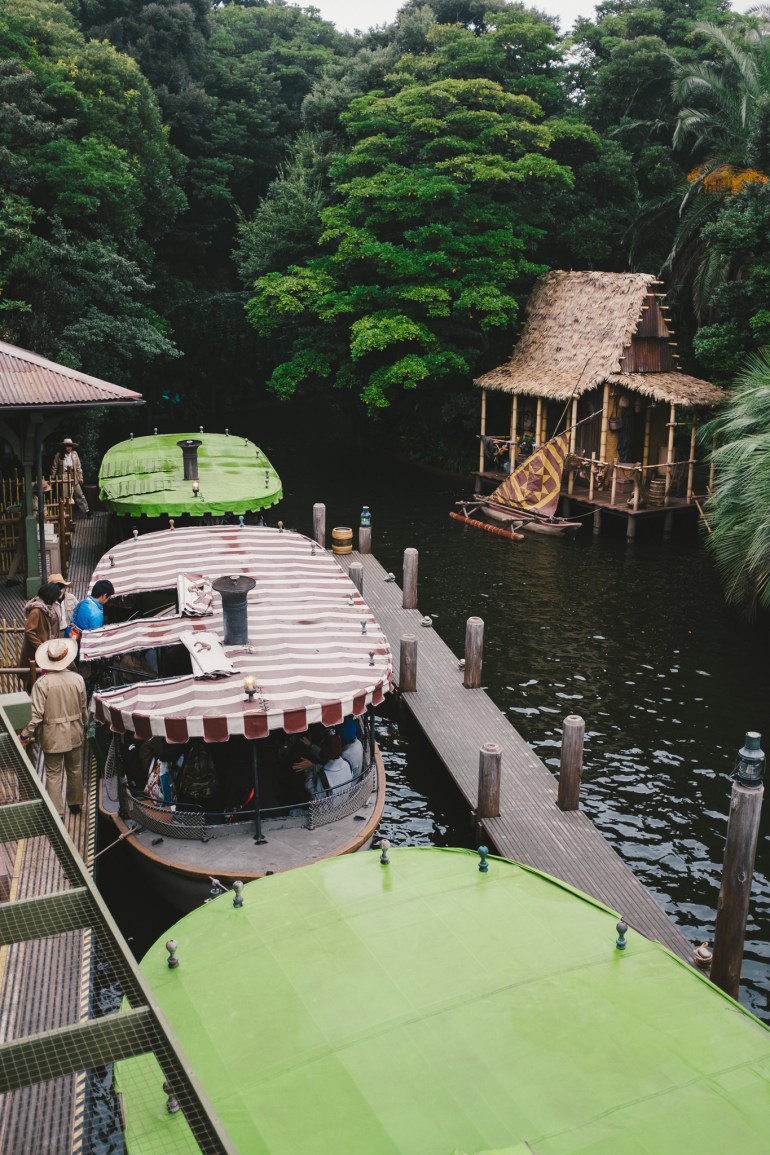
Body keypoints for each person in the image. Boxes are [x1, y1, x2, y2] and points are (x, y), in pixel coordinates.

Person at [19, 638, 87, 818]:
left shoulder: (42, 684)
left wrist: (26, 734)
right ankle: (75, 805)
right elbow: (83, 709)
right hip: (75, 731)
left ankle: (57, 813)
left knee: (53, 774)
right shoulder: (78, 679)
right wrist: (84, 725)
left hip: (52, 735)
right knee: (75, 769)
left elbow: (36, 714)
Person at [19, 582, 61, 686]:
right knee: (33, 682)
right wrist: (41, 646)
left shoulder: (44, 608)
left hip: (40, 652)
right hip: (34, 653)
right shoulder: (37, 610)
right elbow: (29, 631)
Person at [50, 437, 90, 518]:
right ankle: (66, 515)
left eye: (70, 446)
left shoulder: (74, 454)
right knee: (65, 497)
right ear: (64, 447)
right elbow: (54, 468)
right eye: (67, 446)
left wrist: (80, 477)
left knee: (80, 494)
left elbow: (78, 467)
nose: (69, 448)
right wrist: (52, 479)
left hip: (73, 475)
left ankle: (86, 511)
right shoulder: (59, 455)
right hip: (63, 477)